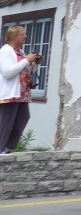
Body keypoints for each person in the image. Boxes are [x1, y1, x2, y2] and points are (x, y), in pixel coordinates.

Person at [0, 25, 41, 155]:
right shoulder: (5, 51)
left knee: (23, 117)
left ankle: (8, 146)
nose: (25, 36)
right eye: (22, 34)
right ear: (14, 36)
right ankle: (1, 149)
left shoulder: (21, 52)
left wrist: (35, 63)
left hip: (22, 93)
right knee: (6, 121)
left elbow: (27, 71)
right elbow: (7, 72)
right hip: (10, 93)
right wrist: (26, 61)